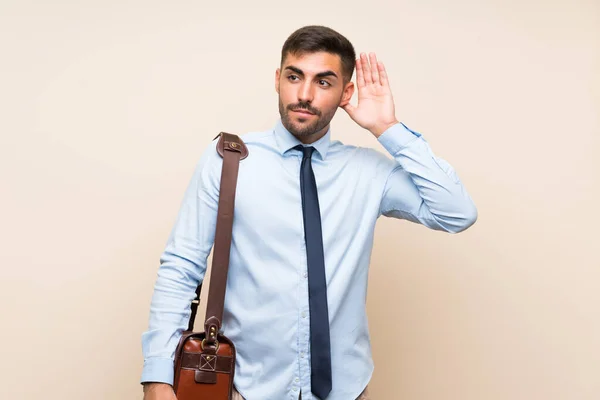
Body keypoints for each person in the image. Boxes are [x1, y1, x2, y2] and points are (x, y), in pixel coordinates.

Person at [140, 25, 478, 400]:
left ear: (346, 92)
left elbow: (456, 212)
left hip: (346, 390)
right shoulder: (229, 159)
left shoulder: (369, 172)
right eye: (294, 76)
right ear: (277, 79)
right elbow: (181, 266)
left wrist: (387, 128)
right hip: (246, 387)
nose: (303, 94)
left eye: (323, 81)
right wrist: (157, 375)